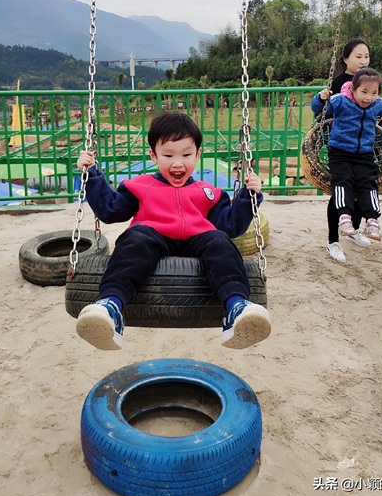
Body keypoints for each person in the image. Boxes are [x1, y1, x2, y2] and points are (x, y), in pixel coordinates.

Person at [75, 111, 272, 351]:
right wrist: (92, 176)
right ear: (153, 155)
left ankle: (237, 308)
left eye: (186, 155)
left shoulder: (207, 191)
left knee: (220, 241)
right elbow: (110, 210)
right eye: (168, 155)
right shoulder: (140, 186)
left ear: (198, 154)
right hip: (152, 236)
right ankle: (110, 307)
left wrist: (247, 198)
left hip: (198, 239)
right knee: (134, 239)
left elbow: (231, 226)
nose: (177, 163)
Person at [312, 67, 382, 244]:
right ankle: (344, 217)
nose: (368, 97)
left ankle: (372, 220)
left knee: (368, 183)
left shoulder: (377, 104)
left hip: (364, 154)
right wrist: (321, 98)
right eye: (364, 92)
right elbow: (319, 108)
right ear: (353, 89)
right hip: (340, 152)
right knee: (343, 180)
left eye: (374, 93)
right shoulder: (340, 100)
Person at [323, 38, 372, 262]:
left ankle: (354, 230)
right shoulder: (338, 84)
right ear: (345, 59)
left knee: (364, 188)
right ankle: (333, 240)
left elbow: (376, 106)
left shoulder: (369, 79)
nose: (363, 61)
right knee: (341, 191)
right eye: (358, 56)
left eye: (366, 56)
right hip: (342, 146)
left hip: (365, 146)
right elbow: (325, 114)